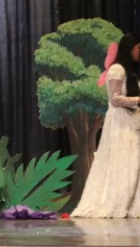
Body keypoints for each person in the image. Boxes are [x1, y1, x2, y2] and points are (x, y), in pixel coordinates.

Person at [72, 32, 140, 218]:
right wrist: (138, 100)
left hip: (132, 122)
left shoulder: (131, 72)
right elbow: (115, 99)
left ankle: (133, 204)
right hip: (120, 124)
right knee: (122, 162)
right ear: (129, 48)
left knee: (134, 163)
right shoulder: (117, 69)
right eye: (138, 48)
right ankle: (117, 202)